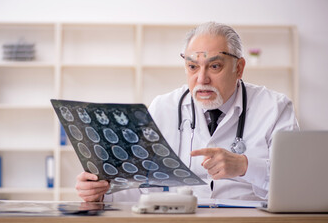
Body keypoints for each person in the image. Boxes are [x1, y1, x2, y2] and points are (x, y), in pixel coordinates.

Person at [75, 21, 299, 202]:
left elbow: (299, 186)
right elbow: (138, 186)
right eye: (193, 67)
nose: (202, 79)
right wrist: (101, 192)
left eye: (214, 66)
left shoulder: (275, 109)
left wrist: (245, 166)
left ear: (238, 68)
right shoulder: (163, 108)